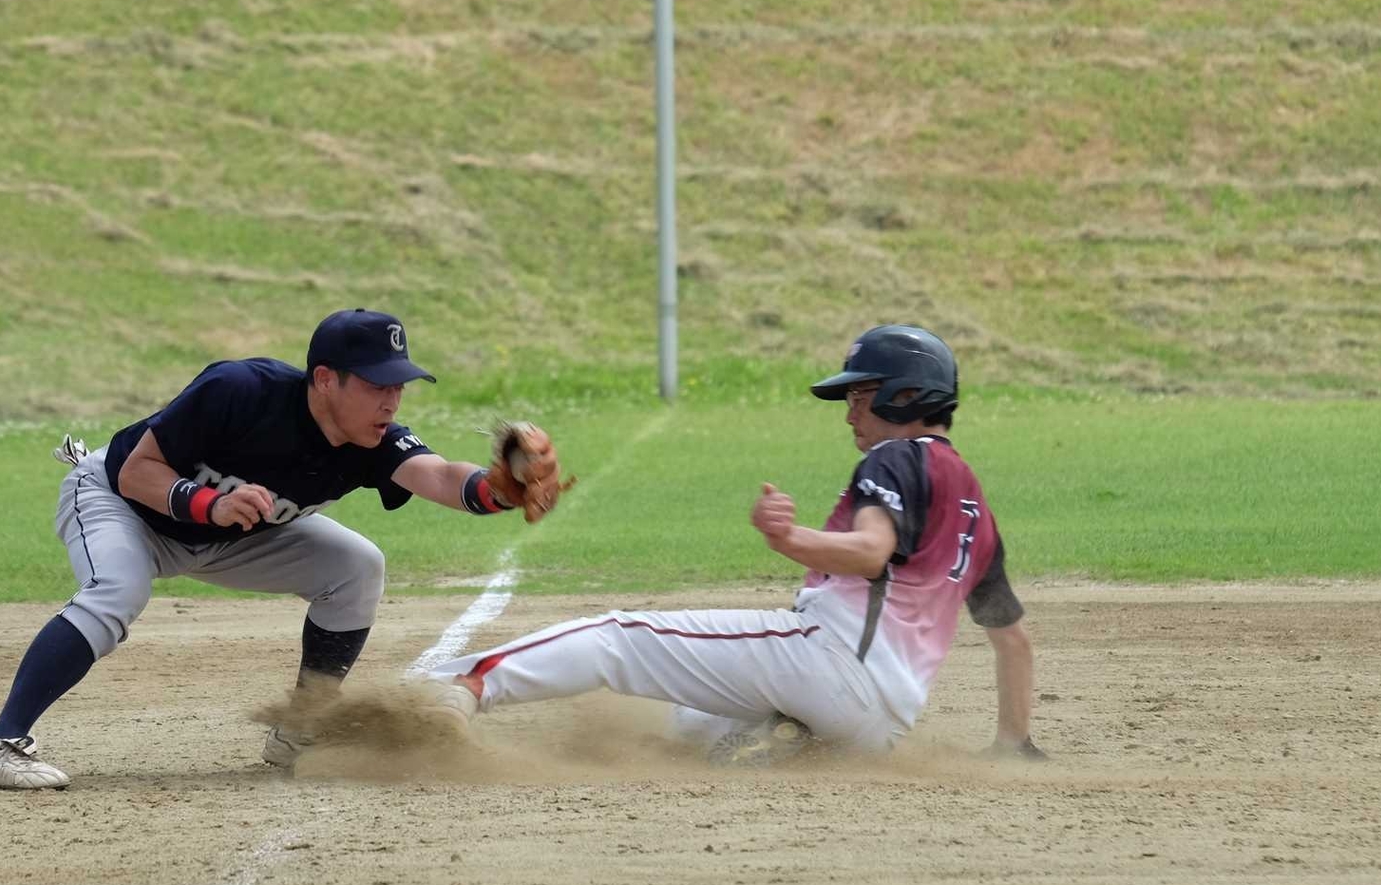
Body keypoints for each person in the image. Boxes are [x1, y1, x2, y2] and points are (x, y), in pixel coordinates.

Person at [0, 309, 562, 790]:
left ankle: (299, 728)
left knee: (357, 567)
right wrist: (210, 506)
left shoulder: (373, 439)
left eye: (399, 385)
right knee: (117, 590)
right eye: (377, 384)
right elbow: (137, 471)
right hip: (122, 504)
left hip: (229, 533)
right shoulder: (238, 389)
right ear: (326, 379)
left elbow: (438, 475)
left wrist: (499, 491)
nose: (391, 401)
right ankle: (0, 742)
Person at [430, 324, 1042, 762]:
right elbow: (1012, 640)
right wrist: (1012, 746)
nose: (849, 412)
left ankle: (459, 690)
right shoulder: (973, 511)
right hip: (881, 725)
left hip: (828, 664)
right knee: (688, 730)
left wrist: (787, 536)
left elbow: (870, 552)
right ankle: (781, 739)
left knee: (619, 638)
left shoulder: (896, 456)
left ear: (903, 396)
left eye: (860, 395)